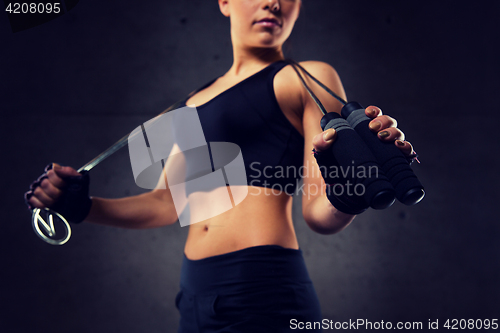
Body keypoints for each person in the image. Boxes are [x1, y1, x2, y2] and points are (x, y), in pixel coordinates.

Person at [25, 0, 416, 332]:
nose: (274, 2)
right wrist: (83, 207)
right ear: (225, 1)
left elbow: (318, 213)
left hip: (263, 286)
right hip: (193, 290)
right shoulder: (187, 103)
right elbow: (167, 203)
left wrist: (349, 191)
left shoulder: (307, 77)